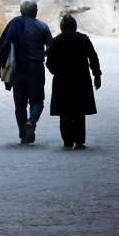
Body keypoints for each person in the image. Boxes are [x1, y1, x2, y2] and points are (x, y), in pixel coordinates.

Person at [0, 0, 52, 144]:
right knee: (37, 101)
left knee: (20, 104)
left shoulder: (14, 24)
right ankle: (31, 122)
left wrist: (5, 67)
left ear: (21, 11)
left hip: (18, 70)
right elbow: (51, 46)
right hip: (36, 68)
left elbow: (4, 45)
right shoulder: (43, 26)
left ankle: (24, 134)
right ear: (36, 11)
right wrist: (42, 55)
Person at [46, 13, 102, 150]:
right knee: (79, 111)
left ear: (62, 27)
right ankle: (79, 140)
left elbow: (49, 62)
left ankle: (67, 141)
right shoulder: (83, 39)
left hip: (62, 81)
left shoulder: (56, 40)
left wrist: (56, 72)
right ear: (75, 26)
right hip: (81, 79)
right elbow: (93, 57)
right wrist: (97, 74)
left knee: (64, 112)